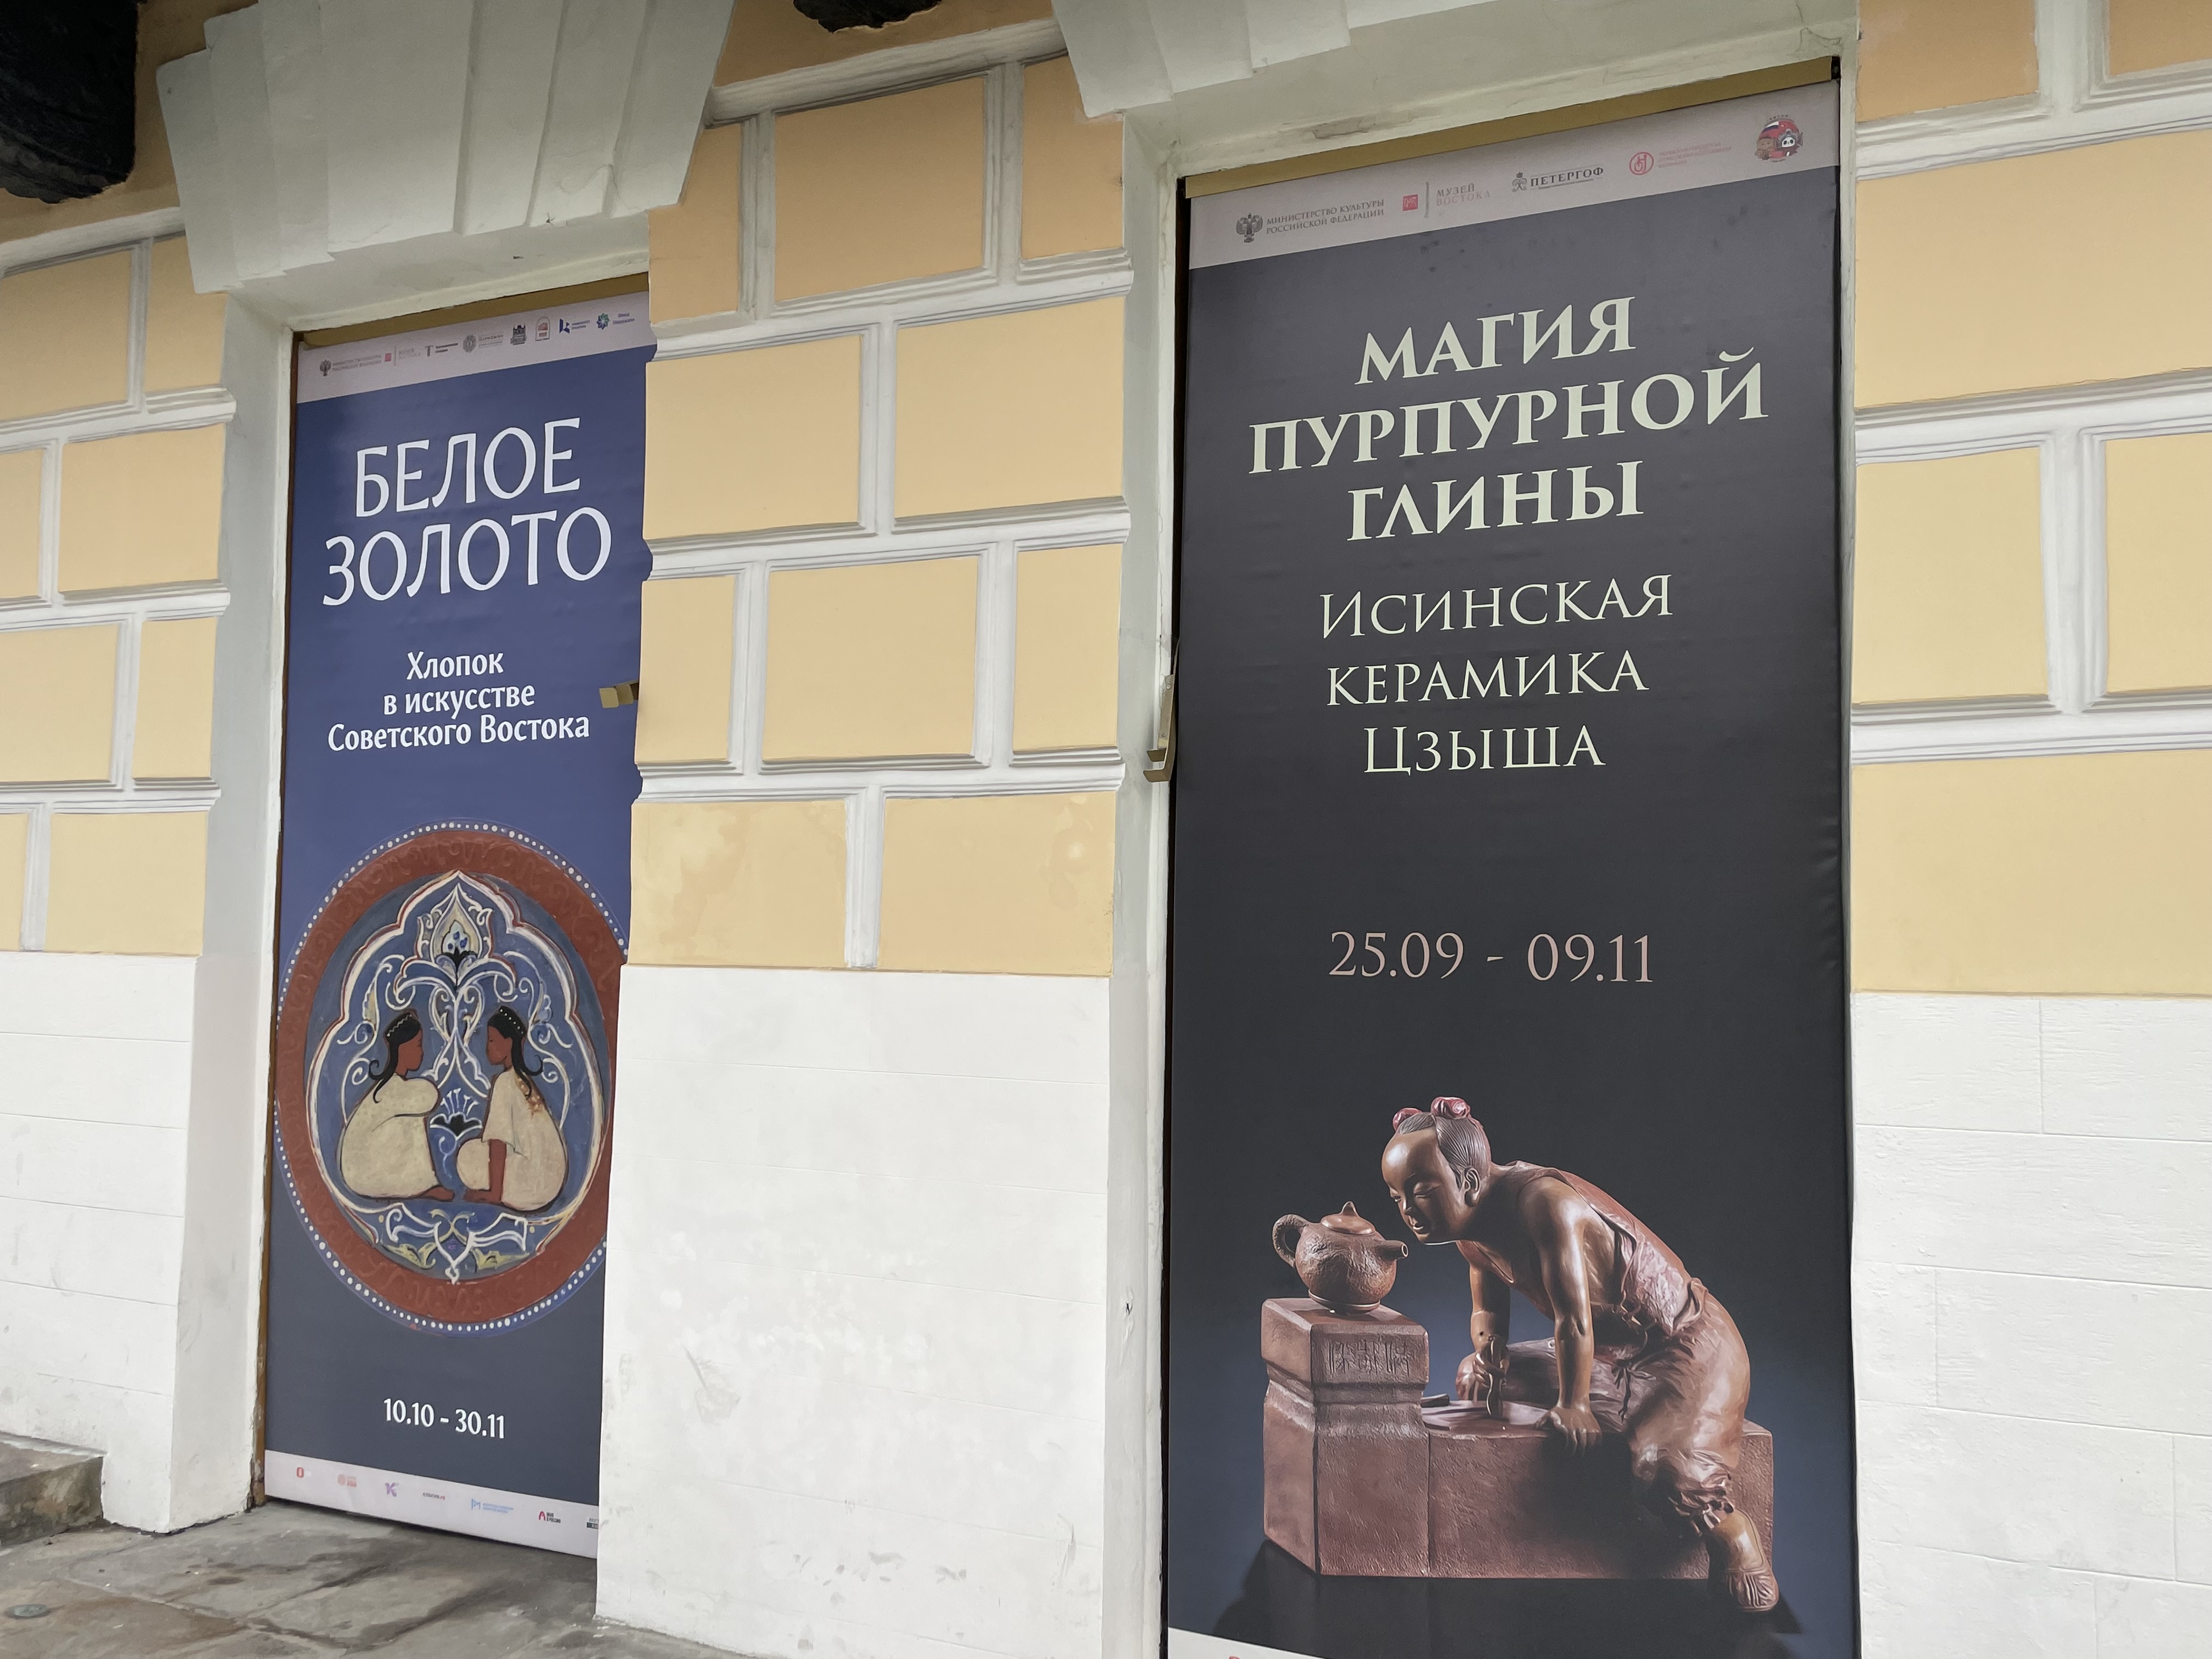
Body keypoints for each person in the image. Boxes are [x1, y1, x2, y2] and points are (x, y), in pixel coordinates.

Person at [1379, 1096, 1779, 1612]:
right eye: (1397, 1197)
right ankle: (1624, 1420)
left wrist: (1575, 1403)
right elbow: (1488, 1312)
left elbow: (1573, 1319)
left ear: (1469, 1182)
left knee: (1665, 1473)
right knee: (1476, 1381)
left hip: (1685, 1345)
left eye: (1422, 1192)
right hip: (1611, 1355)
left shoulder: (1545, 1204)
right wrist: (1488, 1353)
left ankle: (1733, 1534)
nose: (1408, 1210)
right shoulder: (1471, 1235)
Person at [456, 1005, 567, 1212]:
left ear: (508, 1043)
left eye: (492, 1040)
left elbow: (498, 1142)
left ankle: (499, 1190)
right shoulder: (522, 1082)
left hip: (532, 1182)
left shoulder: (505, 1082)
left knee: (467, 1156)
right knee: (475, 1150)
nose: (487, 1048)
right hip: (551, 1182)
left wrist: (494, 1195)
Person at [338, 1009, 451, 1200]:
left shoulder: (389, 1087)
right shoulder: (393, 1089)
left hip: (358, 1174)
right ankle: (424, 1185)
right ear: (402, 1049)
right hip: (363, 1174)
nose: (422, 1053)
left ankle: (423, 1185)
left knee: (412, 1113)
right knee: (412, 1120)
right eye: (418, 1046)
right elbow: (429, 1096)